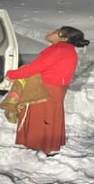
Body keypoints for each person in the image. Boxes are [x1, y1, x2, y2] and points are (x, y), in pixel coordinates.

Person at [5, 26, 89, 157]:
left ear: (63, 36)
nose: (49, 32)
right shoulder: (68, 50)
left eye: (55, 31)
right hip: (56, 88)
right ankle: (47, 146)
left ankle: (38, 147)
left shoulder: (59, 49)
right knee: (49, 116)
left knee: (40, 117)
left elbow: (34, 68)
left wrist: (12, 74)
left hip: (46, 88)